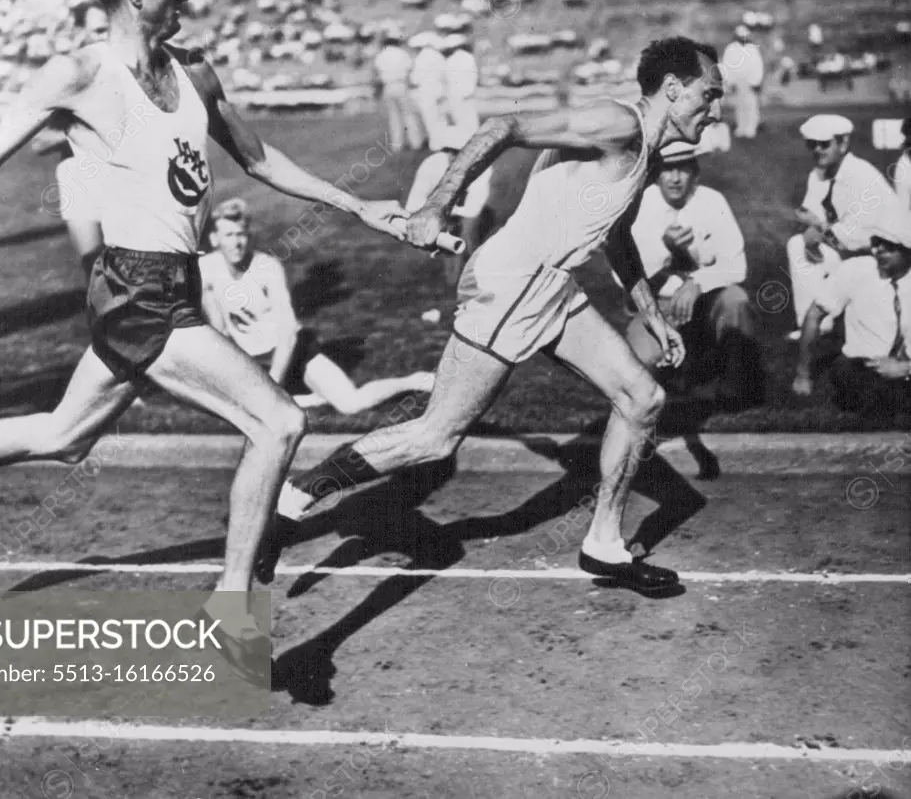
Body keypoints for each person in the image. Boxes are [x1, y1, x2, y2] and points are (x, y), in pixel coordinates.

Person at [0, 0, 408, 675]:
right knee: (279, 421)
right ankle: (233, 604)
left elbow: (260, 160)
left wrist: (361, 205)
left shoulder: (195, 70)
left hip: (173, 284)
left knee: (64, 436)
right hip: (132, 288)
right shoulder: (79, 75)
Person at [271, 36, 726, 594]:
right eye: (709, 95)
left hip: (553, 287)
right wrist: (437, 203)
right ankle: (301, 494)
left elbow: (616, 232)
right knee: (436, 437)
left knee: (643, 397)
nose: (715, 110)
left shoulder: (645, 150)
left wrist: (649, 310)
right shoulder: (618, 125)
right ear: (673, 89)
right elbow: (501, 129)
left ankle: (604, 547)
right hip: (511, 284)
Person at [200, 197, 434, 413]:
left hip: (293, 352)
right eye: (228, 235)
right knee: (230, 404)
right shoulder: (207, 269)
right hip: (253, 360)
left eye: (240, 234)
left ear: (249, 236)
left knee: (351, 404)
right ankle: (307, 399)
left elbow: (288, 333)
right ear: (214, 239)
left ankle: (413, 381)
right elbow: (219, 331)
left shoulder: (266, 268)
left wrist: (272, 383)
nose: (236, 243)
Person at [626, 140, 762, 408]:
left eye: (683, 169)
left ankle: (734, 392)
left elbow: (737, 266)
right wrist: (666, 252)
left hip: (708, 303)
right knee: (641, 361)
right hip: (655, 308)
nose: (675, 179)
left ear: (695, 173)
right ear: (655, 172)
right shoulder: (641, 205)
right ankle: (671, 384)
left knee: (735, 300)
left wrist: (697, 283)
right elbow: (625, 277)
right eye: (667, 169)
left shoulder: (712, 201)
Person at [785, 114, 899, 341]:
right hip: (844, 249)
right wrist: (815, 229)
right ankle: (814, 323)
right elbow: (810, 214)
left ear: (843, 144)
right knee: (799, 245)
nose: (817, 150)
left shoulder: (862, 176)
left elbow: (861, 239)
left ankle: (831, 315)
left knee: (810, 245)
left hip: (881, 258)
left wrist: (819, 227)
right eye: (812, 144)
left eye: (825, 144)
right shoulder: (817, 175)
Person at [791, 210, 911, 420]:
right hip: (861, 365)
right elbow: (814, 314)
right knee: (871, 396)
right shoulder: (856, 270)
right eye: (876, 244)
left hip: (904, 366)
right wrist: (803, 374)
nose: (879, 251)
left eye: (889, 246)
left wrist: (906, 368)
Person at [30, 4, 111, 280]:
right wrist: (83, 131)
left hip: (125, 175)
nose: (107, 36)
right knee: (96, 270)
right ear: (80, 33)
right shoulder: (69, 75)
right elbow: (38, 142)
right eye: (99, 29)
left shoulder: (130, 66)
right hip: (81, 175)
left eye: (110, 28)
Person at [404, 123, 494, 311]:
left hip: (466, 213)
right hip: (438, 214)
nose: (457, 158)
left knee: (468, 235)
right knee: (447, 257)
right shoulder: (431, 165)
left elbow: (472, 210)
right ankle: (452, 282)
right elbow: (413, 203)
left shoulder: (483, 168)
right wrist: (439, 219)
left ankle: (473, 280)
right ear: (446, 151)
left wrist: (453, 219)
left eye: (464, 153)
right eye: (453, 152)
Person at [371, 26, 423, 152]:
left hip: (388, 86)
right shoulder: (402, 54)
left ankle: (397, 144)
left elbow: (376, 74)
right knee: (408, 115)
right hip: (401, 85)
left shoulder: (381, 55)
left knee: (394, 116)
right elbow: (410, 70)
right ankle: (415, 142)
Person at [721, 25, 763, 139]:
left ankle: (751, 128)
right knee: (739, 106)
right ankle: (741, 127)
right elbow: (728, 65)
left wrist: (756, 81)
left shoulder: (752, 49)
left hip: (750, 82)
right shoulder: (731, 48)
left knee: (751, 105)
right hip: (738, 82)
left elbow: (757, 66)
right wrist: (730, 82)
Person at [410, 33, 449, 152]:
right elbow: (445, 73)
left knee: (430, 119)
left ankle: (436, 144)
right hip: (440, 90)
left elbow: (415, 78)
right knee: (442, 118)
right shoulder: (439, 56)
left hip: (426, 92)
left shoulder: (420, 59)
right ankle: (446, 141)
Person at [443, 33, 480, 143]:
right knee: (471, 120)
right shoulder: (469, 57)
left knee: (460, 120)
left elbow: (448, 79)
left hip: (455, 94)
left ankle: (463, 142)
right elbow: (474, 75)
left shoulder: (449, 60)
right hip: (468, 93)